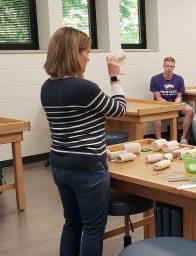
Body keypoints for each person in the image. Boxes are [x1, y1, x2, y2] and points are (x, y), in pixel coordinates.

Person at [40, 27, 126, 256]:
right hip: (87, 168)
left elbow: (79, 108)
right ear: (73, 53)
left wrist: (80, 75)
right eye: (86, 52)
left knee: (72, 223)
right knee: (93, 228)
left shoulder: (47, 87)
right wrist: (115, 77)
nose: (88, 57)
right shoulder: (84, 89)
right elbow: (119, 110)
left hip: (60, 165)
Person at [149, 57, 193, 144]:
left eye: (171, 66)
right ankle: (159, 140)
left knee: (190, 110)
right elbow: (158, 97)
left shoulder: (179, 79)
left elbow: (179, 96)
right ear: (163, 66)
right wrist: (169, 106)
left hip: (175, 103)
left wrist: (176, 105)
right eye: (167, 66)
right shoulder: (155, 79)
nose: (169, 68)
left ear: (174, 67)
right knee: (155, 114)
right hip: (161, 104)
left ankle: (183, 137)